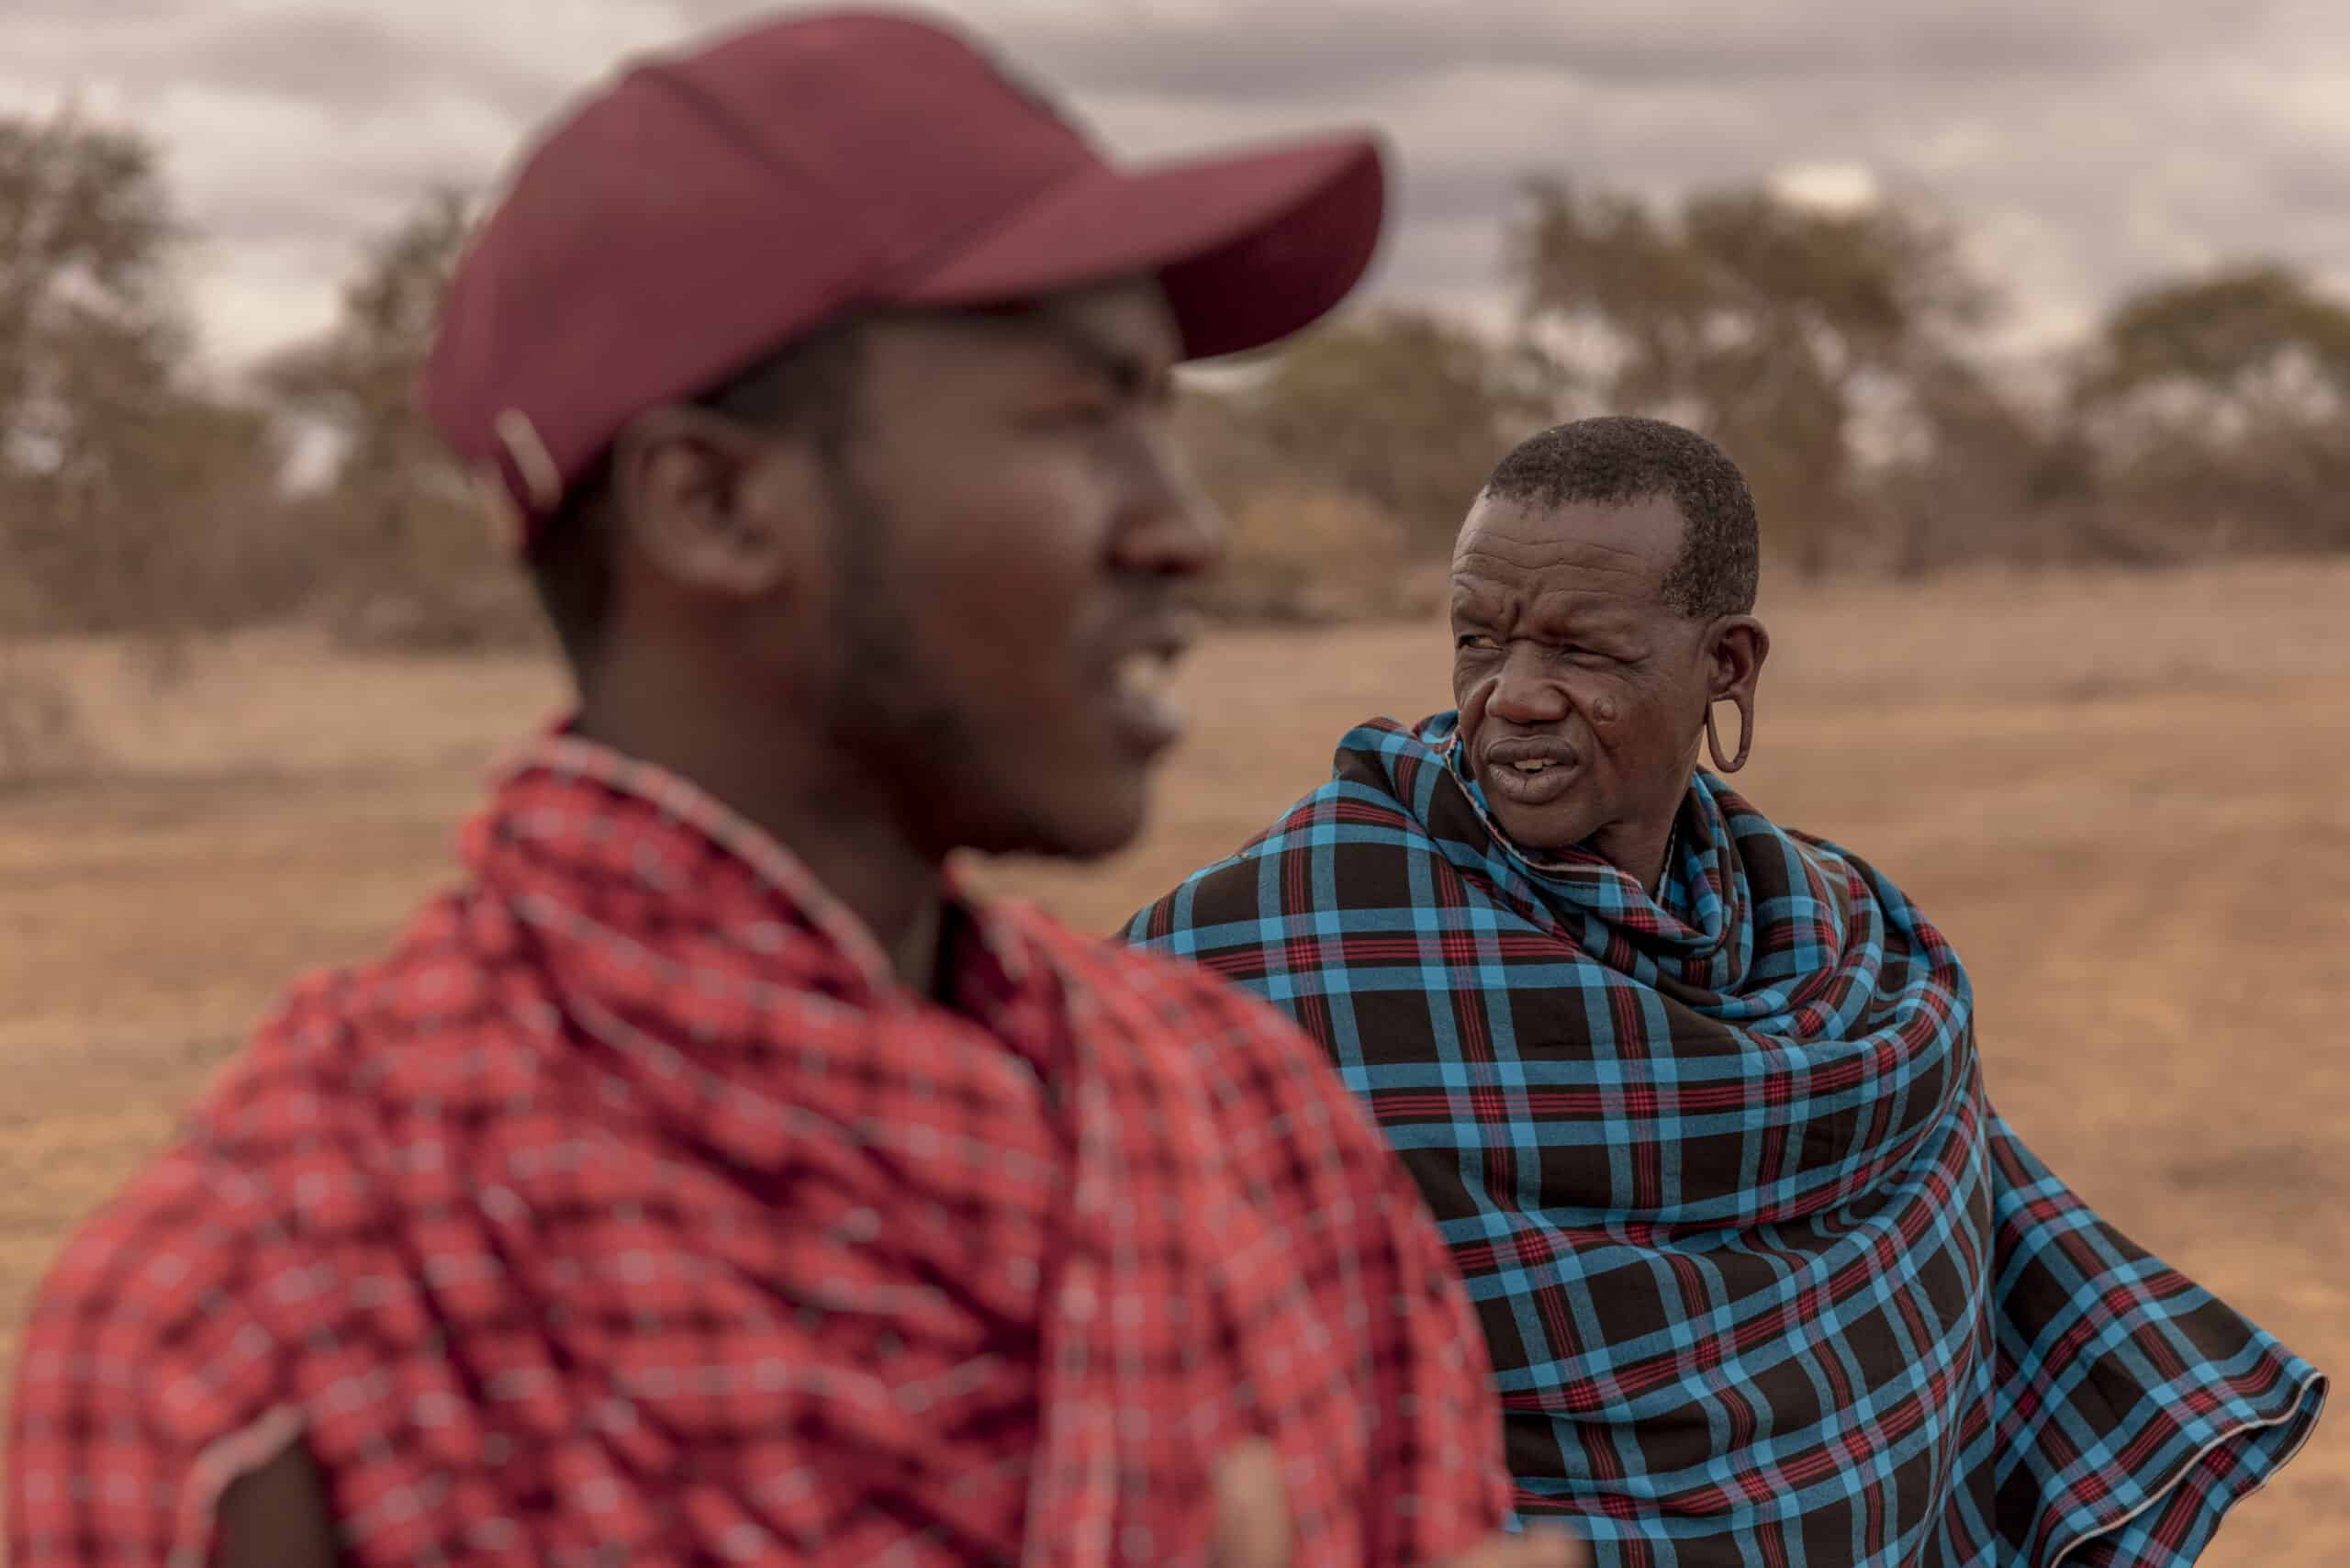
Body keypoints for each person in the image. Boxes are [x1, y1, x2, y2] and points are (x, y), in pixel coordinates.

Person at [4, 14, 1587, 1567]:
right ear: (713, 506)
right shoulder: (261, 1344)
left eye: (1163, 417)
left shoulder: (1250, 1133)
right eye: (1082, 414)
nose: (1185, 530)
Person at [1125, 417, 2325, 1566]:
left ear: (1726, 665)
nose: (1515, 695)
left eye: (1584, 651)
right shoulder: (1278, 945)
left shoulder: (1853, 962)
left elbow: (1924, 1353)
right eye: (1479, 641)